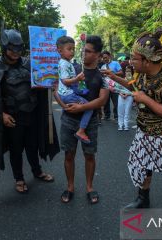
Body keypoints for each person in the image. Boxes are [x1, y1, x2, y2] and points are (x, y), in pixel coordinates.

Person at [102, 29, 162, 211]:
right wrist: (115, 77)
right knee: (143, 167)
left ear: (147, 61)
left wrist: (145, 99)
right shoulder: (144, 75)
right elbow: (135, 88)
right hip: (143, 132)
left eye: (134, 59)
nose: (131, 62)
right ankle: (143, 199)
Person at [0, 29, 60, 193]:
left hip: (31, 114)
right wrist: (2, 115)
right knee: (16, 149)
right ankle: (19, 178)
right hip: (11, 117)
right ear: (4, 48)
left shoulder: (28, 63)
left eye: (19, 49)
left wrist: (49, 81)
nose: (16, 53)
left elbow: (41, 83)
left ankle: (37, 171)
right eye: (12, 49)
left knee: (33, 146)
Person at [54, 35, 109, 204]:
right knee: (69, 155)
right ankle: (70, 187)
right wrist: (63, 105)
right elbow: (57, 87)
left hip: (90, 122)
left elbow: (102, 100)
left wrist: (82, 108)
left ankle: (89, 187)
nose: (84, 54)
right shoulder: (72, 68)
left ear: (99, 55)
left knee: (89, 155)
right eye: (83, 50)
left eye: (89, 51)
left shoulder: (103, 76)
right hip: (68, 120)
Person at [56, 36, 92, 143]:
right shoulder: (64, 64)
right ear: (60, 51)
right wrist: (77, 78)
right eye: (69, 49)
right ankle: (81, 130)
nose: (72, 51)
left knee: (83, 91)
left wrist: (78, 81)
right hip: (68, 94)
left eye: (73, 49)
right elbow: (65, 81)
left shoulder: (67, 63)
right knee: (89, 107)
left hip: (67, 92)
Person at [101, 51, 122, 120]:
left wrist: (113, 74)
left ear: (109, 56)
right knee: (106, 102)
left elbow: (121, 72)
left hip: (115, 85)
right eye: (103, 58)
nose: (105, 59)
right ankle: (107, 116)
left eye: (106, 57)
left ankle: (116, 116)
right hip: (106, 86)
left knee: (116, 102)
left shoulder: (115, 63)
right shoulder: (103, 66)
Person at [117, 66, 134, 131]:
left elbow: (134, 91)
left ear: (132, 72)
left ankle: (126, 125)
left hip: (129, 97)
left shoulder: (133, 80)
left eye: (129, 71)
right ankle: (120, 125)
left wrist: (127, 94)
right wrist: (121, 94)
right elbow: (118, 89)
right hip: (121, 97)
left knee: (127, 111)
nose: (128, 72)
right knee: (120, 111)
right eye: (126, 71)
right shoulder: (122, 79)